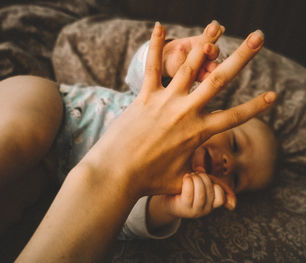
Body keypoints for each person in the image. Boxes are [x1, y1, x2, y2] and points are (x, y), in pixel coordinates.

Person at [5, 21, 276, 262]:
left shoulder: (172, 187)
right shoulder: (178, 102)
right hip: (54, 106)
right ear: (217, 116)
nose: (230, 164)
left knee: (14, 203)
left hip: (48, 170)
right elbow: (140, 76)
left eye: (238, 179)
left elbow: (119, 218)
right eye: (236, 145)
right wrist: (169, 58)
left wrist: (168, 208)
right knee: (21, 138)